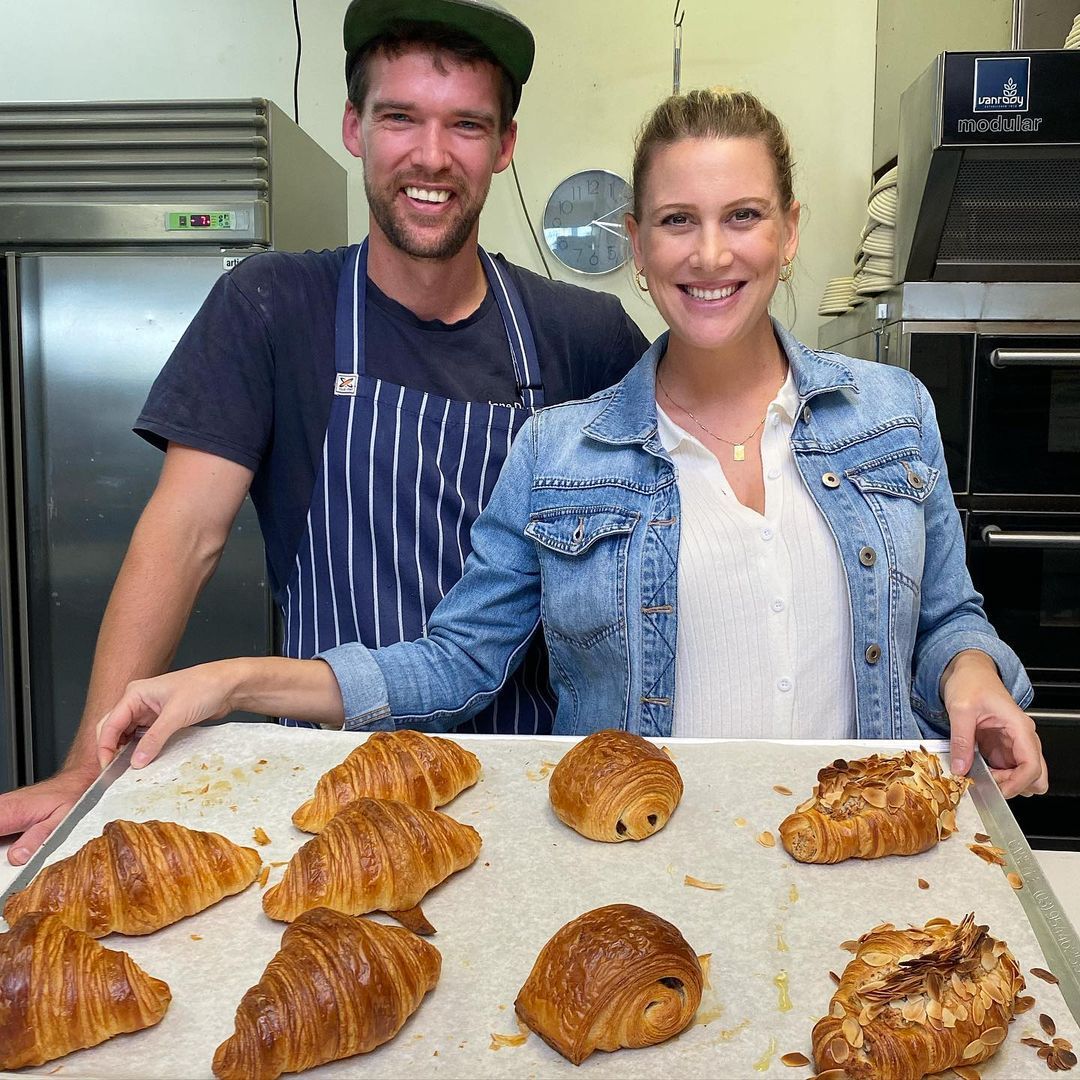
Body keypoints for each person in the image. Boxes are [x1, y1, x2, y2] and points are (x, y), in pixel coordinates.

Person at [96, 87, 1048, 800]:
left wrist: (973, 673)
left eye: (743, 216)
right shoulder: (559, 455)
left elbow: (946, 617)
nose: (710, 255)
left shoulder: (892, 412)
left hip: (871, 845)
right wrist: (233, 682)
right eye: (676, 222)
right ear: (637, 243)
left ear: (790, 231)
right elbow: (456, 664)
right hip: (644, 865)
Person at [0, 0, 649, 865]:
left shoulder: (582, 333)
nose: (431, 155)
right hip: (328, 787)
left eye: (465, 124)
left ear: (504, 145)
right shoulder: (273, 308)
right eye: (399, 117)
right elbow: (184, 534)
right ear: (354, 128)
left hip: (528, 789)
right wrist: (89, 769)